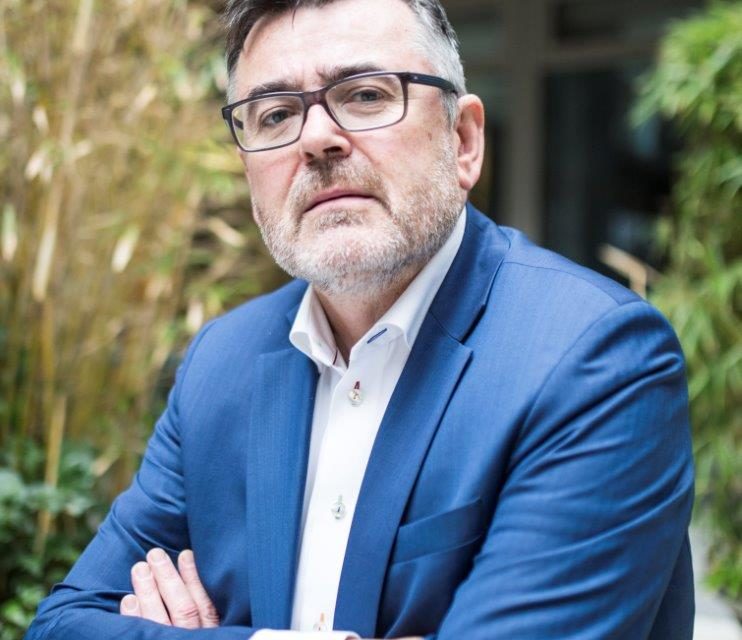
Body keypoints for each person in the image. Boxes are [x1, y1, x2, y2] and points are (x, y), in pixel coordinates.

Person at [25, 0, 695, 638]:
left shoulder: (593, 358)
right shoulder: (220, 365)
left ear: (463, 140)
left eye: (366, 94)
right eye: (275, 114)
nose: (317, 139)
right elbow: (61, 626)